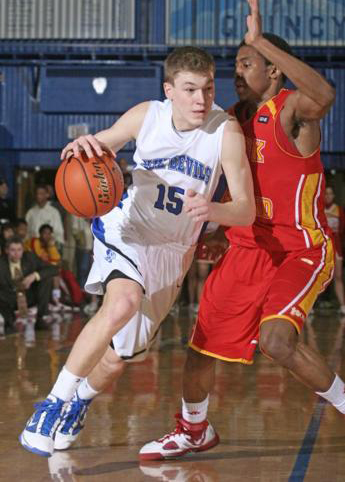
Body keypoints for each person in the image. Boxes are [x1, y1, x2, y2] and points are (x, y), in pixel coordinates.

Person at [19, 46, 255, 457]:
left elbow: (247, 209)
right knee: (121, 304)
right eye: (189, 89)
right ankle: (50, 405)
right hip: (129, 229)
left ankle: (80, 402)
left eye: (206, 88)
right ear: (170, 90)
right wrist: (85, 144)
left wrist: (216, 209)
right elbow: (102, 145)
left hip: (173, 252)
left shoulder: (225, 131)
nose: (200, 99)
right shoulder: (148, 115)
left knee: (121, 355)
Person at [138, 0, 341, 460]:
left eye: (247, 63)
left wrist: (261, 41)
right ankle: (194, 430)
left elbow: (326, 95)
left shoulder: (292, 111)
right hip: (248, 250)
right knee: (200, 346)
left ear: (273, 71)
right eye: (236, 63)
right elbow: (240, 192)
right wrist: (217, 233)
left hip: (299, 250)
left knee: (276, 341)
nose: (236, 71)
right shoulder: (227, 121)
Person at [0, 236, 58, 334]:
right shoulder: (1, 263)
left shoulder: (30, 257)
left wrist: (34, 276)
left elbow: (53, 269)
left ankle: (41, 318)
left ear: (23, 250)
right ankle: (9, 322)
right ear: (6, 251)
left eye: (19, 250)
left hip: (29, 295)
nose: (16, 253)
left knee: (46, 279)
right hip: (9, 298)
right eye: (12, 250)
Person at [324, 186, 345, 314]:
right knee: (316, 278)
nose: (328, 196)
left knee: (338, 276)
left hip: (336, 246)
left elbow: (342, 230)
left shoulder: (338, 210)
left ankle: (343, 306)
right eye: (326, 193)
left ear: (333, 196)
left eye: (330, 193)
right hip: (323, 245)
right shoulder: (318, 208)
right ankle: (308, 309)